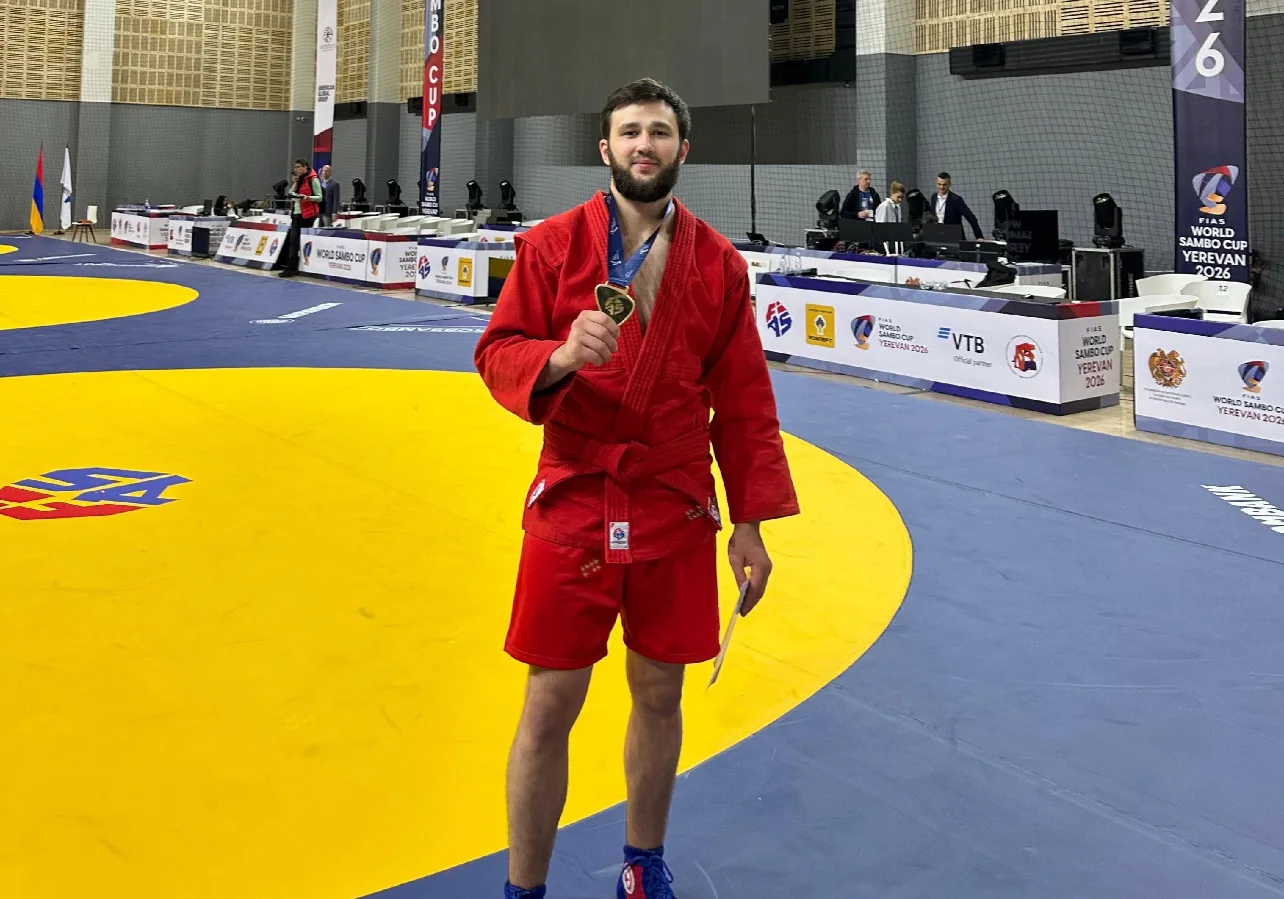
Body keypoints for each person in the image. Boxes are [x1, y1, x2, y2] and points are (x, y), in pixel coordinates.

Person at [474, 77, 800, 899]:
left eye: (658, 131)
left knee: (660, 692)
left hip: (671, 502)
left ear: (683, 148)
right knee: (550, 700)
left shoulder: (718, 263)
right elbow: (497, 351)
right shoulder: (551, 247)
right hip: (576, 497)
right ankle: (523, 888)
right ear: (606, 147)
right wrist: (557, 356)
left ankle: (642, 866)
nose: (643, 144)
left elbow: (745, 401)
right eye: (629, 131)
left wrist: (751, 523)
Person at [276, 159, 322, 277]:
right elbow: (290, 193)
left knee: (302, 241)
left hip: (308, 214)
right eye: (295, 167)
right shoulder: (299, 180)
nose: (296, 169)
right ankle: (291, 268)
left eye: (298, 167)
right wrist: (295, 183)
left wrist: (307, 197)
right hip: (296, 213)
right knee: (293, 241)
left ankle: (303, 266)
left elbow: (319, 197)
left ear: (305, 167)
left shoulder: (313, 180)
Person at [932, 171, 983, 239]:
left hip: (954, 236)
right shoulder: (934, 197)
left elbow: (970, 217)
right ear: (936, 183)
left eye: (944, 185)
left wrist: (979, 236)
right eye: (939, 184)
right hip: (939, 235)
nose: (941, 187)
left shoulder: (956, 199)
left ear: (949, 184)